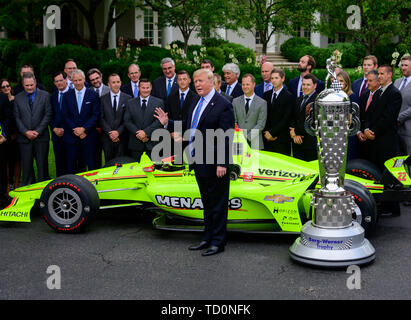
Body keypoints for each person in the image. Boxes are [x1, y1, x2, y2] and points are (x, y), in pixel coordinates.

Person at [154, 68, 235, 256]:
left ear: (211, 81)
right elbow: (190, 126)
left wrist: (222, 163)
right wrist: (168, 123)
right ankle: (207, 238)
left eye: (200, 81)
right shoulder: (195, 101)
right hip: (198, 161)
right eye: (195, 81)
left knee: (218, 205)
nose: (197, 84)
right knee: (207, 203)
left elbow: (226, 136)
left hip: (216, 164)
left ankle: (218, 242)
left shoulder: (223, 104)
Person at [13, 73, 52, 186]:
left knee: (42, 168)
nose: (29, 87)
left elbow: (48, 114)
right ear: (22, 84)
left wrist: (38, 131)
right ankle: (27, 192)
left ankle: (43, 192)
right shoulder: (18, 98)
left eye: (31, 85)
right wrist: (26, 132)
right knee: (26, 168)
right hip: (24, 140)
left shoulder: (45, 95)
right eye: (27, 85)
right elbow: (17, 117)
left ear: (35, 83)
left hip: (41, 138)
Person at [61, 69, 100, 174]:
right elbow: (65, 116)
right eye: (75, 80)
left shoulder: (93, 95)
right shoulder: (66, 96)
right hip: (71, 137)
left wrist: (84, 129)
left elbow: (95, 115)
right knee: (72, 167)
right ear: (71, 81)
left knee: (91, 166)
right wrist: (75, 129)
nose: (78, 83)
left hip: (88, 137)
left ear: (84, 79)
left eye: (80, 80)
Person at [364, 65, 402, 171]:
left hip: (387, 142)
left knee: (387, 174)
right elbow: (369, 114)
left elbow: (388, 118)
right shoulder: (378, 93)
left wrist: (373, 132)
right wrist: (366, 129)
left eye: (382, 74)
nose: (379, 76)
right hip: (374, 141)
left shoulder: (395, 94)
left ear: (389, 75)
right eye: (378, 74)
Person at [124, 78, 164, 162]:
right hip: (136, 143)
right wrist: (139, 134)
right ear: (138, 88)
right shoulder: (130, 103)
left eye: (147, 88)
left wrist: (146, 133)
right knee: (136, 171)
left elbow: (159, 122)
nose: (145, 90)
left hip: (153, 143)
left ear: (151, 87)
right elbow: (127, 121)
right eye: (143, 88)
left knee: (155, 169)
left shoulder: (159, 102)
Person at [263, 68, 295, 155]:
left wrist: (272, 133)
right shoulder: (266, 95)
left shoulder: (289, 96)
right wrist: (266, 132)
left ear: (283, 78)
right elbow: (264, 115)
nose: (273, 80)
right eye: (272, 78)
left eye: (276, 78)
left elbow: (286, 119)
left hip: (281, 139)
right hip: (267, 138)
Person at [100, 73, 131, 163]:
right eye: (113, 82)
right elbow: (101, 118)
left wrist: (118, 132)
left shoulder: (128, 98)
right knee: (108, 163)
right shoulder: (102, 99)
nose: (116, 84)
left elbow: (127, 118)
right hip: (107, 137)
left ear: (121, 83)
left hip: (122, 137)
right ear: (108, 84)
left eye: (118, 82)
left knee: (122, 163)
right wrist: (110, 133)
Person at [232, 73, 267, 149]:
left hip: (255, 142)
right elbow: (234, 121)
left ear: (254, 84)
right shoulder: (235, 101)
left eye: (247, 84)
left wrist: (248, 137)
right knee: (237, 161)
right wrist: (240, 136)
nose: (245, 87)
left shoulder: (262, 103)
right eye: (243, 84)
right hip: (238, 142)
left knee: (255, 161)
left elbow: (261, 124)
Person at [290, 74, 318, 161]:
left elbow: (312, 121)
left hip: (309, 145)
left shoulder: (317, 101)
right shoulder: (299, 99)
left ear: (315, 85)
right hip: (296, 143)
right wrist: (292, 132)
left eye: (308, 85)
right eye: (303, 84)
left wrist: (296, 132)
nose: (305, 87)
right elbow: (293, 117)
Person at [0, 79, 20, 190]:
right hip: (6, 135)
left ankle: (17, 184)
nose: (6, 88)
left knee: (17, 160)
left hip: (17, 133)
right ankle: (7, 185)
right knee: (6, 161)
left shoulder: (16, 99)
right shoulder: (2, 100)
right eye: (3, 87)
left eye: (8, 85)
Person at [357, 70, 381, 163]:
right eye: (367, 81)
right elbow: (360, 115)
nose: (367, 84)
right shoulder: (364, 95)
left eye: (370, 81)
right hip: (362, 139)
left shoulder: (381, 96)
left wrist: (369, 132)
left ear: (378, 81)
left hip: (374, 138)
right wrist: (359, 132)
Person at [50, 71, 69, 177]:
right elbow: (50, 115)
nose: (59, 83)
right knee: (59, 162)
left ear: (66, 80)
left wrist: (65, 129)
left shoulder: (72, 94)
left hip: (70, 133)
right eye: (56, 81)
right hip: (56, 135)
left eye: (61, 80)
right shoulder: (52, 96)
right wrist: (54, 128)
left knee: (71, 162)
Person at [336, 70, 359, 161]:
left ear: (347, 83)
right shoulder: (335, 96)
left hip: (347, 134)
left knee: (347, 160)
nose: (339, 83)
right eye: (337, 81)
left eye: (341, 81)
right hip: (336, 133)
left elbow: (350, 119)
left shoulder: (351, 96)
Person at [395, 55, 411, 155]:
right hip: (394, 129)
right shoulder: (397, 81)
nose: (403, 67)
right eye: (402, 65)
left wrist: (399, 118)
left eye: (406, 65)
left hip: (408, 129)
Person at [0, 92, 12, 206]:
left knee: (2, 168)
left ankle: (2, 196)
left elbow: (8, 117)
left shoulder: (3, 98)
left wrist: (3, 135)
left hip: (0, 140)